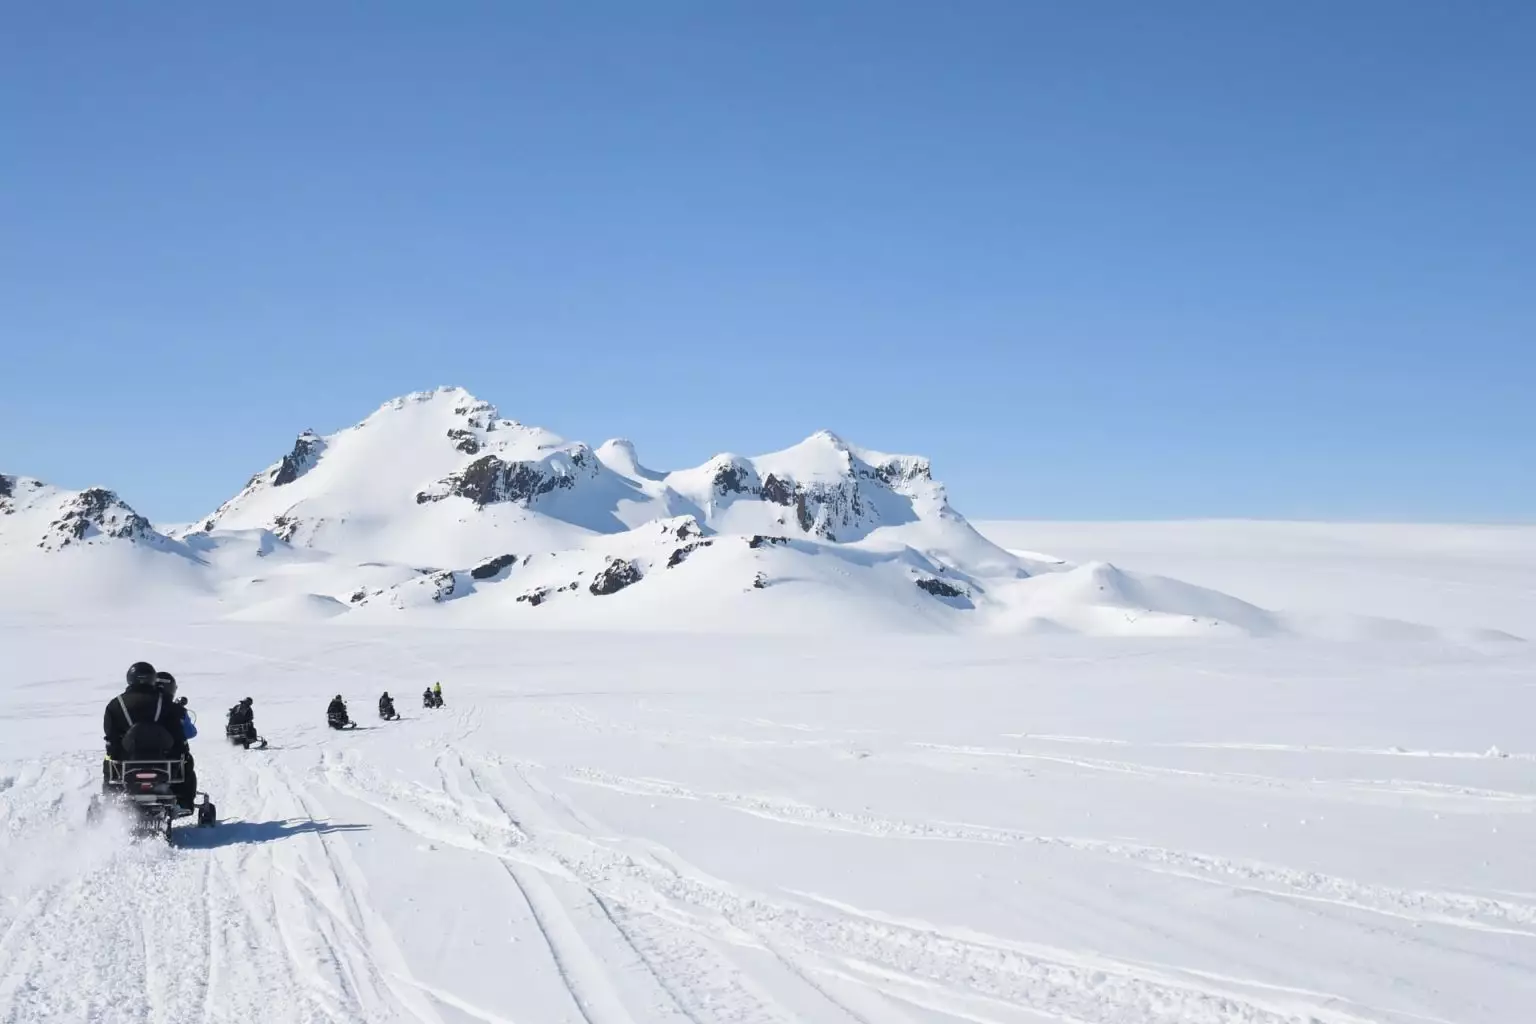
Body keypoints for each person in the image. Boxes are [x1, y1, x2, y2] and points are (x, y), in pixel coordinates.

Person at [103, 661, 196, 811]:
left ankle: (109, 801)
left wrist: (115, 752)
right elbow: (177, 733)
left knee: (108, 760)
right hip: (162, 761)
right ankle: (184, 801)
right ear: (152, 678)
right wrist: (180, 751)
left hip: (128, 762)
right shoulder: (166, 703)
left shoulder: (115, 704)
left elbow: (110, 735)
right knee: (186, 760)